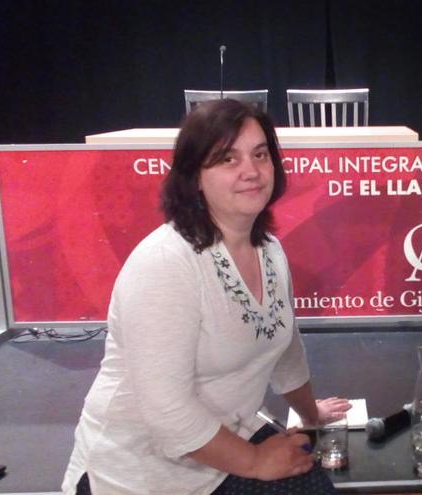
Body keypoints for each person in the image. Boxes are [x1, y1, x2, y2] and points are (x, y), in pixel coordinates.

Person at [62, 99, 350, 494]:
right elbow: (167, 413)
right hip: (143, 470)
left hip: (229, 434)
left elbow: (284, 348)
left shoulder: (268, 249)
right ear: (195, 176)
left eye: (260, 154)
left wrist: (310, 413)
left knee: (315, 484)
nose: (251, 171)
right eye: (228, 159)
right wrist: (255, 461)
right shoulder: (165, 263)